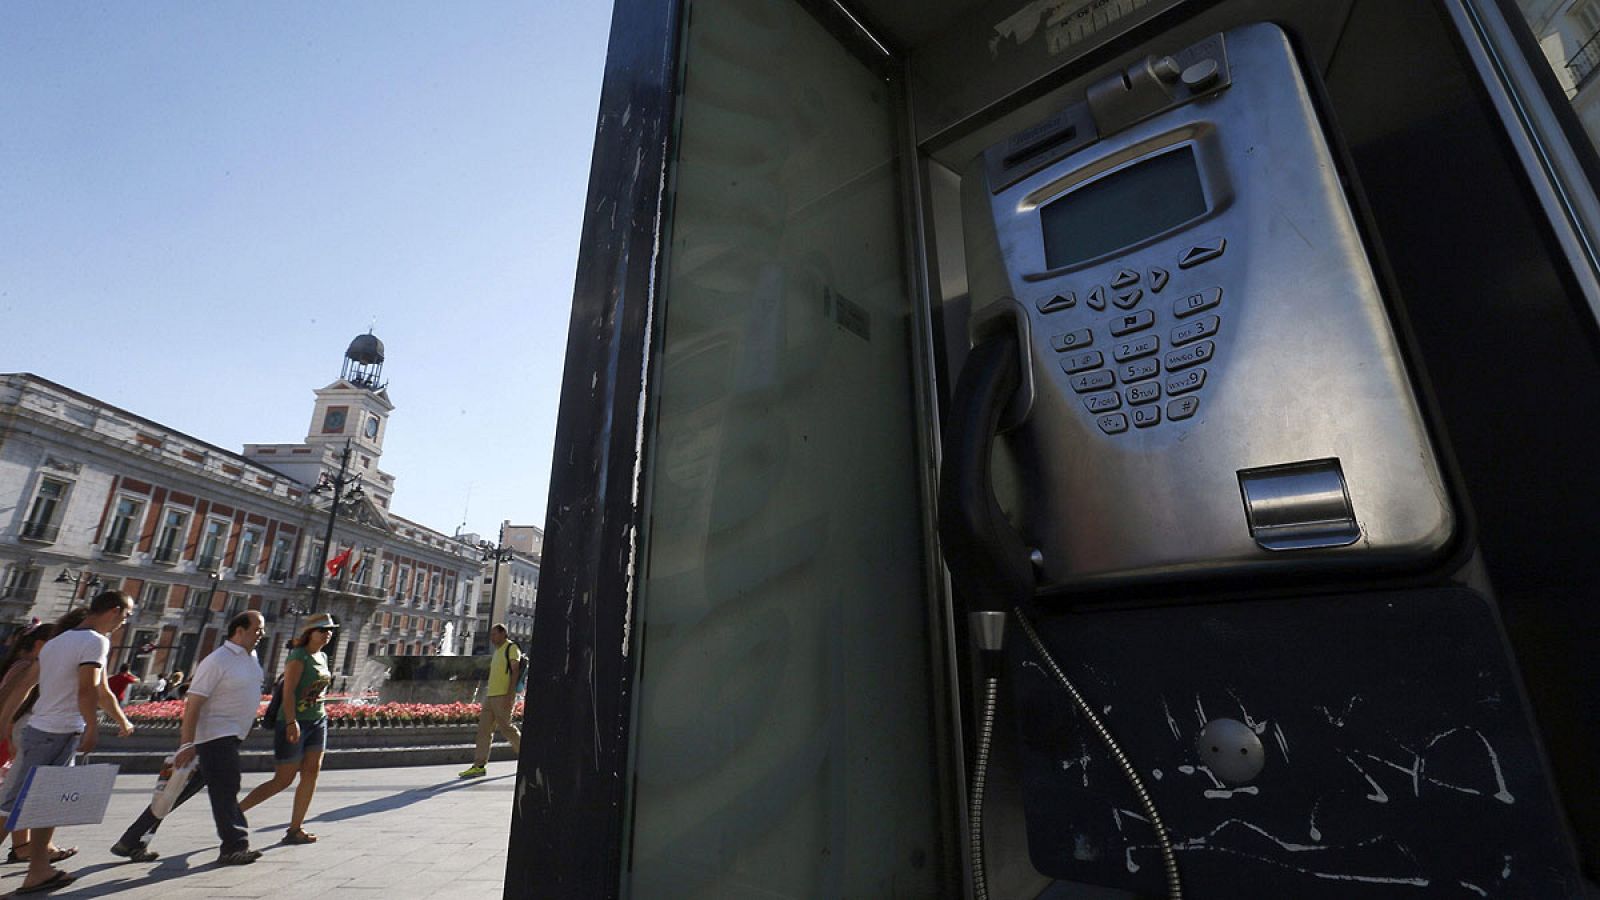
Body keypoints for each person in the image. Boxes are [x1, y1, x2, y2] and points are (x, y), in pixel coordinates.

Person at [0, 591, 135, 894]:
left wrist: (5, 722)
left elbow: (27, 684)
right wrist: (91, 726)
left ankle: (38, 870)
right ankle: (37, 869)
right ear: (113, 611)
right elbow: (88, 689)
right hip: (58, 731)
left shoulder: (56, 642)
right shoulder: (96, 641)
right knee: (12, 805)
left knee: (47, 804)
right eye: (125, 616)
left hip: (44, 730)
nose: (123, 623)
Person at [110, 610, 267, 866]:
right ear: (239, 630)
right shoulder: (218, 660)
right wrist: (187, 743)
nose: (261, 634)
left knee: (177, 791)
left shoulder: (251, 658)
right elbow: (193, 703)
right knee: (226, 788)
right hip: (214, 736)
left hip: (231, 735)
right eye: (257, 629)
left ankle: (131, 840)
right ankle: (234, 846)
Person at [239, 612, 335, 845]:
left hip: (317, 720)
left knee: (312, 772)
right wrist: (291, 722)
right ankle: (233, 812)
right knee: (283, 779)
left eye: (330, 630)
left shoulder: (322, 657)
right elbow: (289, 692)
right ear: (309, 633)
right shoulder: (297, 657)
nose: (327, 634)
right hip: (294, 722)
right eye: (322, 630)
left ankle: (295, 828)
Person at [0, 624, 61, 868]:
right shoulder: (26, 667)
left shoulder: (24, 664)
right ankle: (25, 847)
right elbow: (7, 697)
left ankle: (22, 846)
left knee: (18, 791)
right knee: (16, 792)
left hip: (12, 731)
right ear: (39, 644)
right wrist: (6, 728)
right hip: (11, 733)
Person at [458, 624, 522, 778]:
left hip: (503, 696)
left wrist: (510, 694)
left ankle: (527, 755)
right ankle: (479, 765)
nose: (492, 638)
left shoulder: (511, 648)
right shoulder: (498, 651)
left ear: (503, 634)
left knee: (506, 727)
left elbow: (515, 671)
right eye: (491, 634)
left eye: (494, 634)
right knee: (484, 731)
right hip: (491, 696)